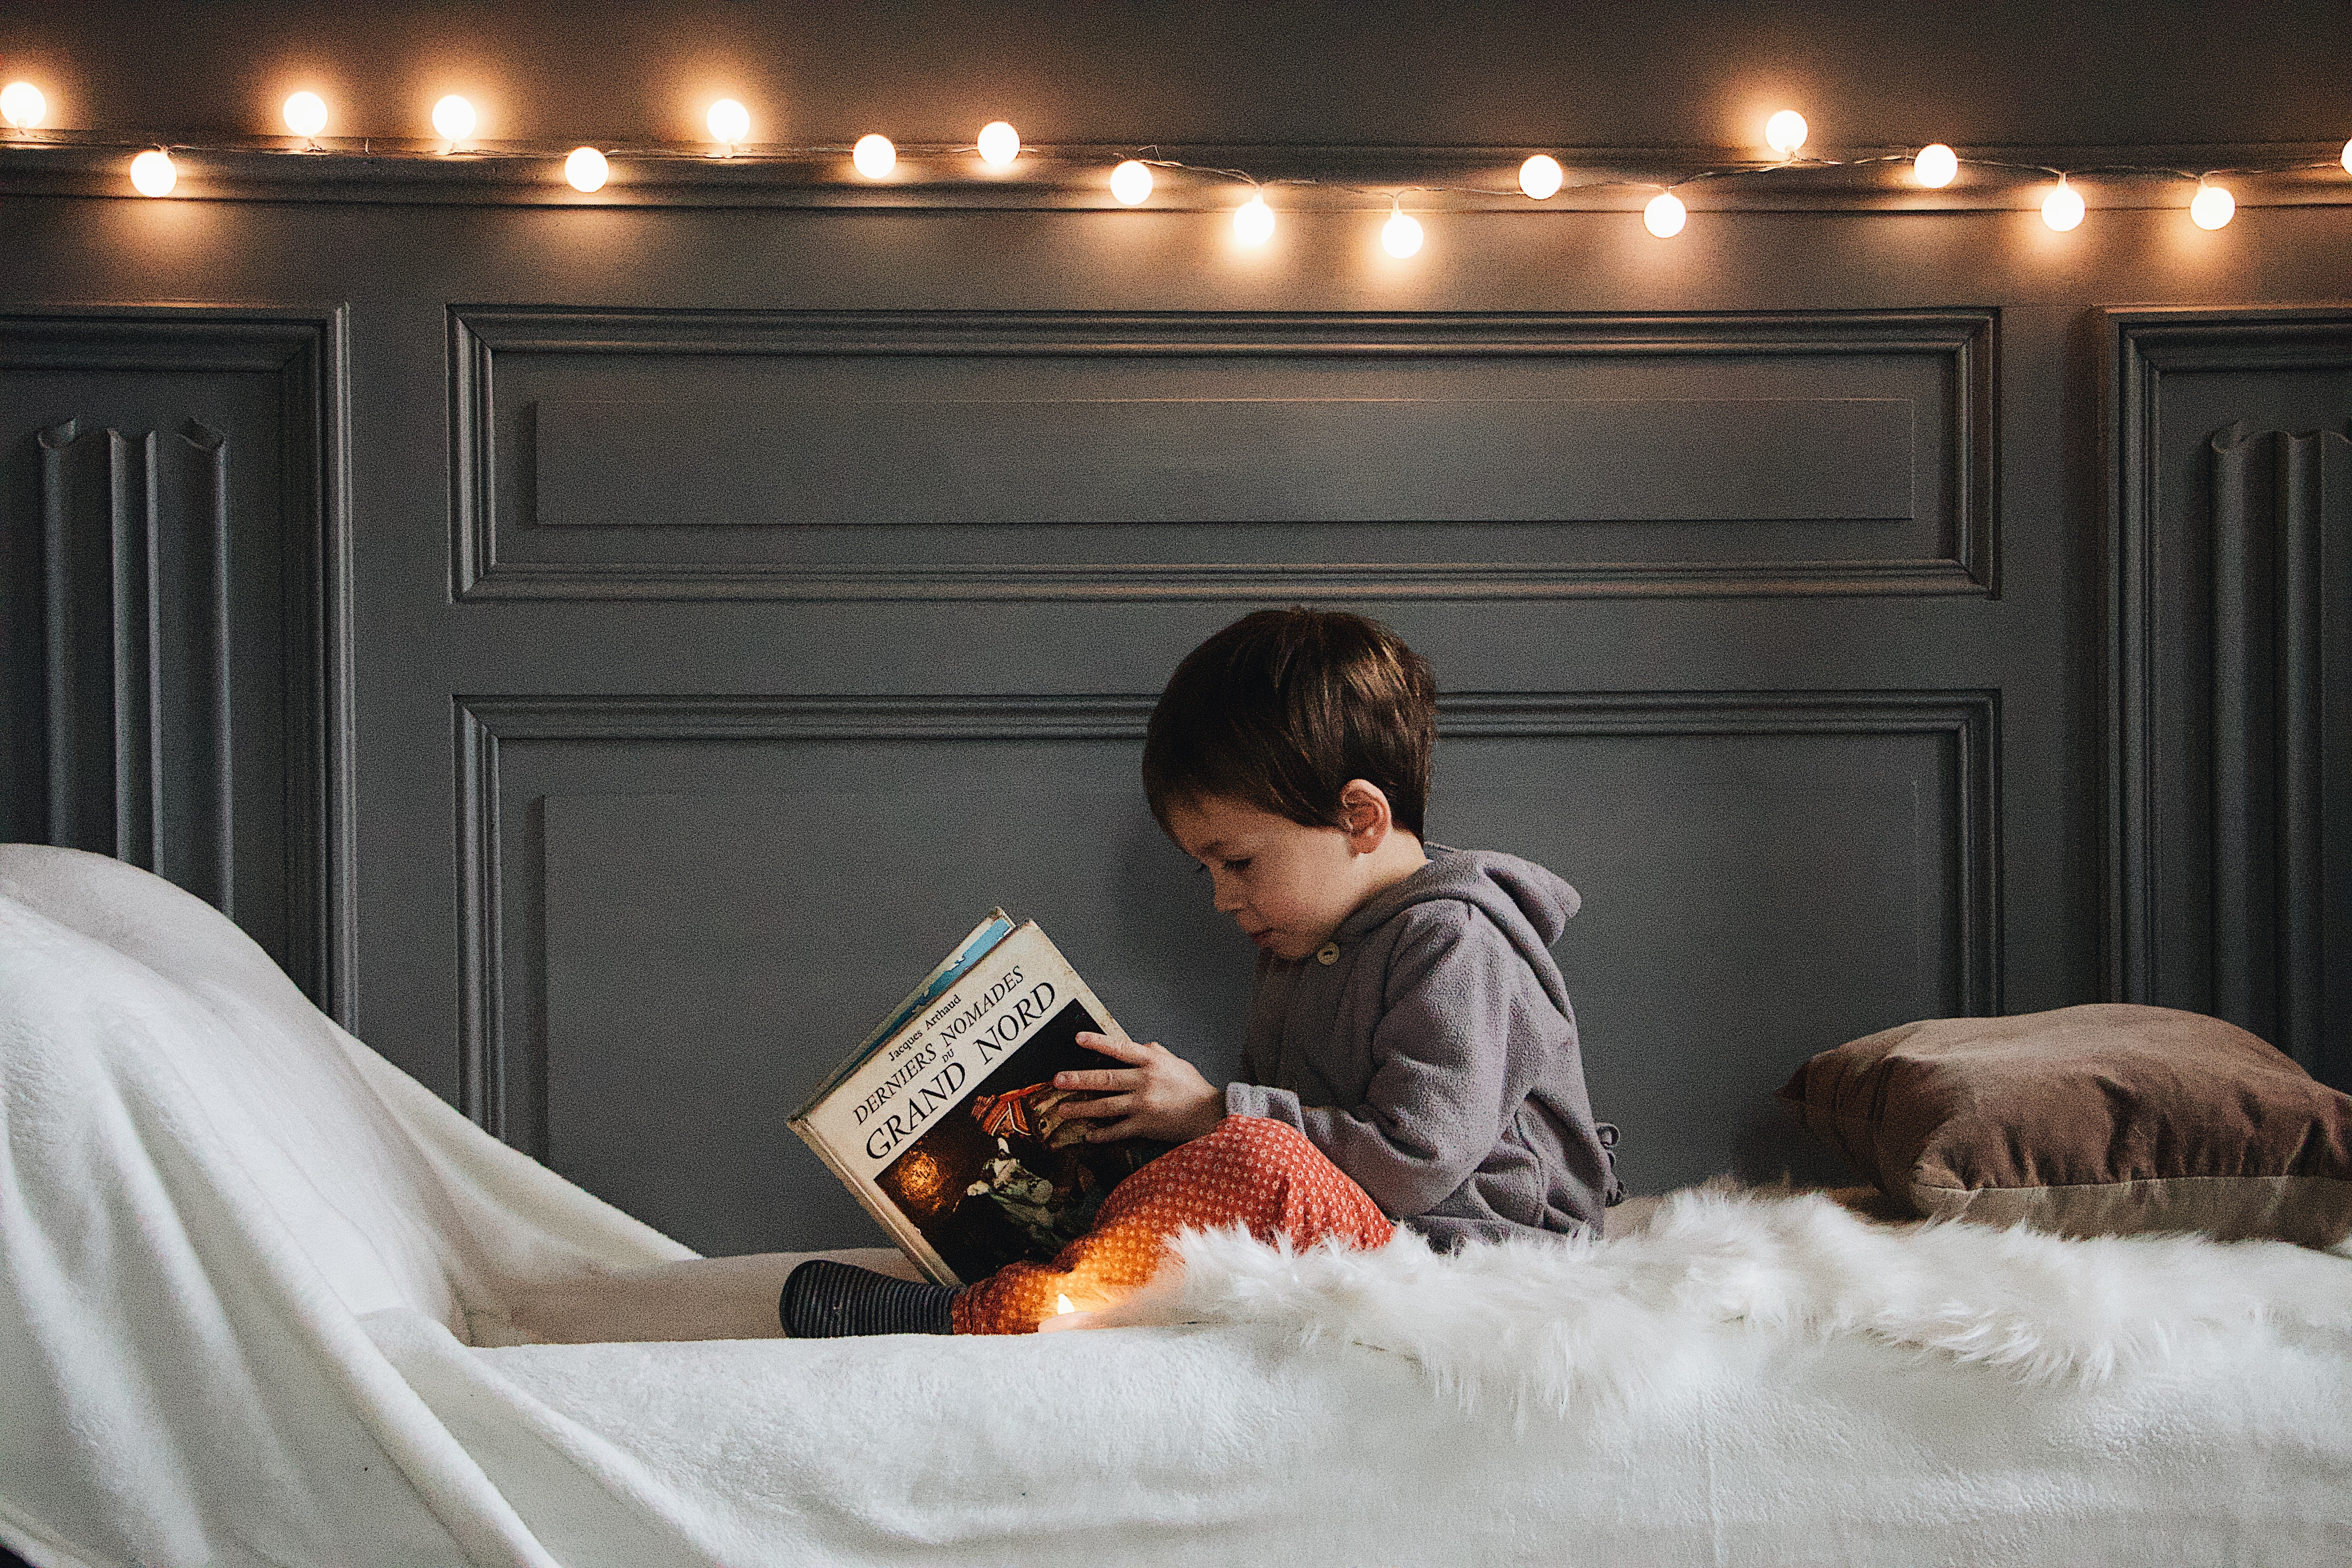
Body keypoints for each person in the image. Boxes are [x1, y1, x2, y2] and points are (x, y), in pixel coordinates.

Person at [504, 607, 1620, 1346]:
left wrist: (1216, 1115)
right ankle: (1038, 1261)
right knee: (1176, 1148)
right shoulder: (1301, 942)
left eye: (1237, 862)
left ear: (1359, 818)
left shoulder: (1456, 942)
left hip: (1472, 1263)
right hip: (1370, 1237)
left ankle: (969, 1316)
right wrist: (1150, 1127)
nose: (1223, 899)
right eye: (1207, 872)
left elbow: (1417, 1161)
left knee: (1254, 1157)